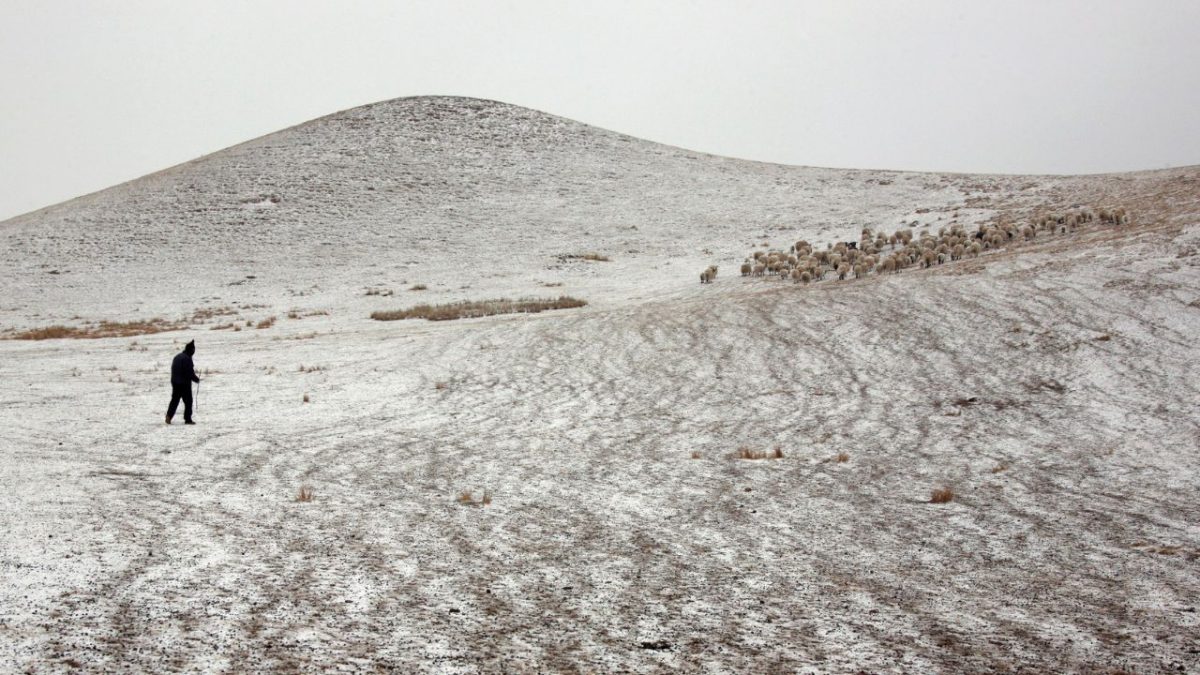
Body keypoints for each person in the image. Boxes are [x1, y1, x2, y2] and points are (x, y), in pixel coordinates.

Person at [166, 340, 201, 425]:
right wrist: (196, 379)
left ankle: (169, 416)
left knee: (175, 400)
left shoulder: (177, 356)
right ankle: (188, 419)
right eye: (193, 350)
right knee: (188, 401)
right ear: (191, 350)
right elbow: (189, 372)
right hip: (184, 383)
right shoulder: (187, 359)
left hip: (175, 382)